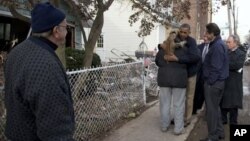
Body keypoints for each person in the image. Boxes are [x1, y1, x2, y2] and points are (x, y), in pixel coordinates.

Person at [4, 2, 75, 141]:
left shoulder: (16, 52)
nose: (67, 32)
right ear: (56, 31)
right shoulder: (46, 65)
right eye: (66, 28)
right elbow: (55, 129)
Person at [165, 23, 201, 127]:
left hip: (190, 74)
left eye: (185, 32)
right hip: (178, 74)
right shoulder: (174, 39)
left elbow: (195, 57)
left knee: (189, 98)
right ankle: (177, 117)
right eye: (181, 31)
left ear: (189, 32)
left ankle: (186, 119)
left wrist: (178, 59)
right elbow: (166, 47)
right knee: (178, 99)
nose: (182, 34)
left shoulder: (192, 42)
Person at [200, 23, 229, 141]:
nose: (205, 34)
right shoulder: (218, 44)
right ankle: (220, 133)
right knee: (215, 109)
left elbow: (216, 68)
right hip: (218, 83)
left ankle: (212, 137)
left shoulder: (217, 46)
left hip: (214, 84)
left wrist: (209, 82)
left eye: (207, 32)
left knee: (211, 112)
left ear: (212, 33)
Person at [155, 38, 188, 135]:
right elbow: (188, 62)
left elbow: (157, 62)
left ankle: (164, 126)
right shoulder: (184, 50)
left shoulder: (161, 51)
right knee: (178, 105)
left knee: (164, 104)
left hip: (164, 79)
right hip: (179, 80)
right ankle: (178, 129)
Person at [220, 35, 246, 125]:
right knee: (223, 102)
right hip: (225, 81)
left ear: (235, 43)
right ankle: (223, 120)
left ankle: (233, 122)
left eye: (229, 42)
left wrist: (224, 64)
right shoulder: (226, 51)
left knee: (233, 104)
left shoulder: (241, 53)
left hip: (234, 83)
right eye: (226, 42)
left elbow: (237, 65)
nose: (227, 44)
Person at [192, 35, 210, 115]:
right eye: (204, 37)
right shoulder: (199, 47)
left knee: (206, 92)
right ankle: (195, 108)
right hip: (198, 73)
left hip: (208, 74)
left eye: (206, 37)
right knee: (196, 91)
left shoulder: (213, 48)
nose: (205, 38)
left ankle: (206, 111)